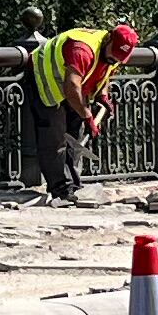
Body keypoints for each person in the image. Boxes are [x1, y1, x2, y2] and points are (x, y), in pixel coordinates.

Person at [27, 20, 142, 202]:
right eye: (115, 54)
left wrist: (103, 96)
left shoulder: (114, 51)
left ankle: (73, 185)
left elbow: (105, 72)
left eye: (120, 57)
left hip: (74, 88)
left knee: (74, 136)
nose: (115, 59)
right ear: (109, 38)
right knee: (54, 137)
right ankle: (61, 190)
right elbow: (71, 87)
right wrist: (87, 115)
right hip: (46, 79)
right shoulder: (81, 50)